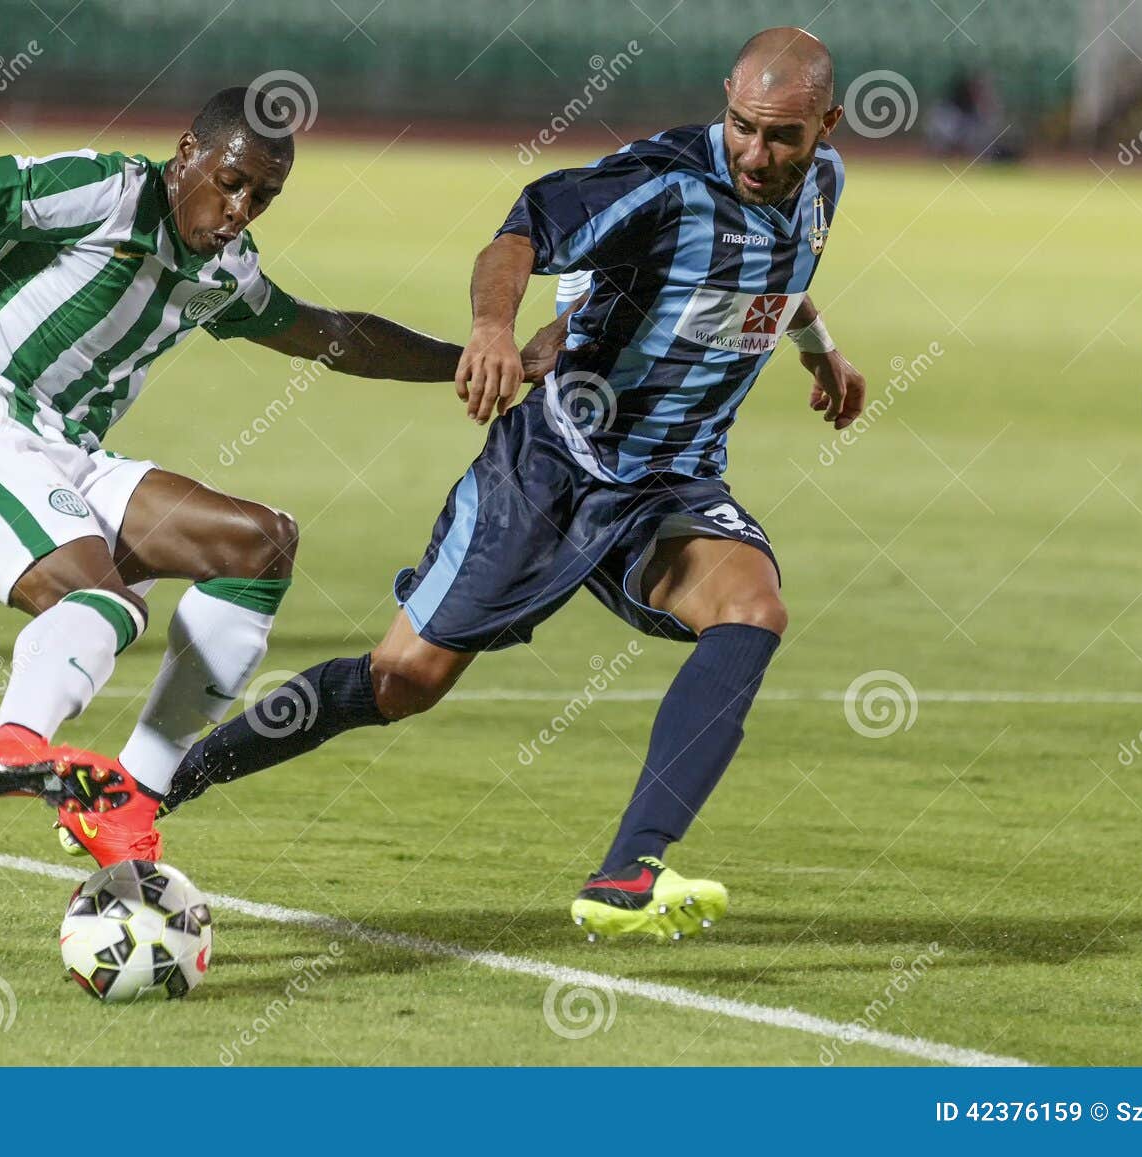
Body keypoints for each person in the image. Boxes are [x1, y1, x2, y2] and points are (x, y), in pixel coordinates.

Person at [145, 28, 870, 941]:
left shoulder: (824, 188)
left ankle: (627, 871)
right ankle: (164, 780)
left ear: (827, 128)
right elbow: (523, 230)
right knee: (402, 681)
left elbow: (779, 272)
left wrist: (821, 350)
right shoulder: (665, 182)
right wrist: (493, 328)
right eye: (741, 127)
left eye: (783, 139)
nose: (757, 154)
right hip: (552, 467)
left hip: (669, 484)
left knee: (753, 609)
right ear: (723, 99)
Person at [0, 86, 567, 866]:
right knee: (98, 599)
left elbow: (336, 336)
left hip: (59, 448)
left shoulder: (227, 274)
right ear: (187, 155)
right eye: (231, 181)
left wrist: (475, 356)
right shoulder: (104, 192)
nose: (240, 210)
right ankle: (13, 743)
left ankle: (130, 802)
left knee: (258, 545)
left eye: (262, 197)